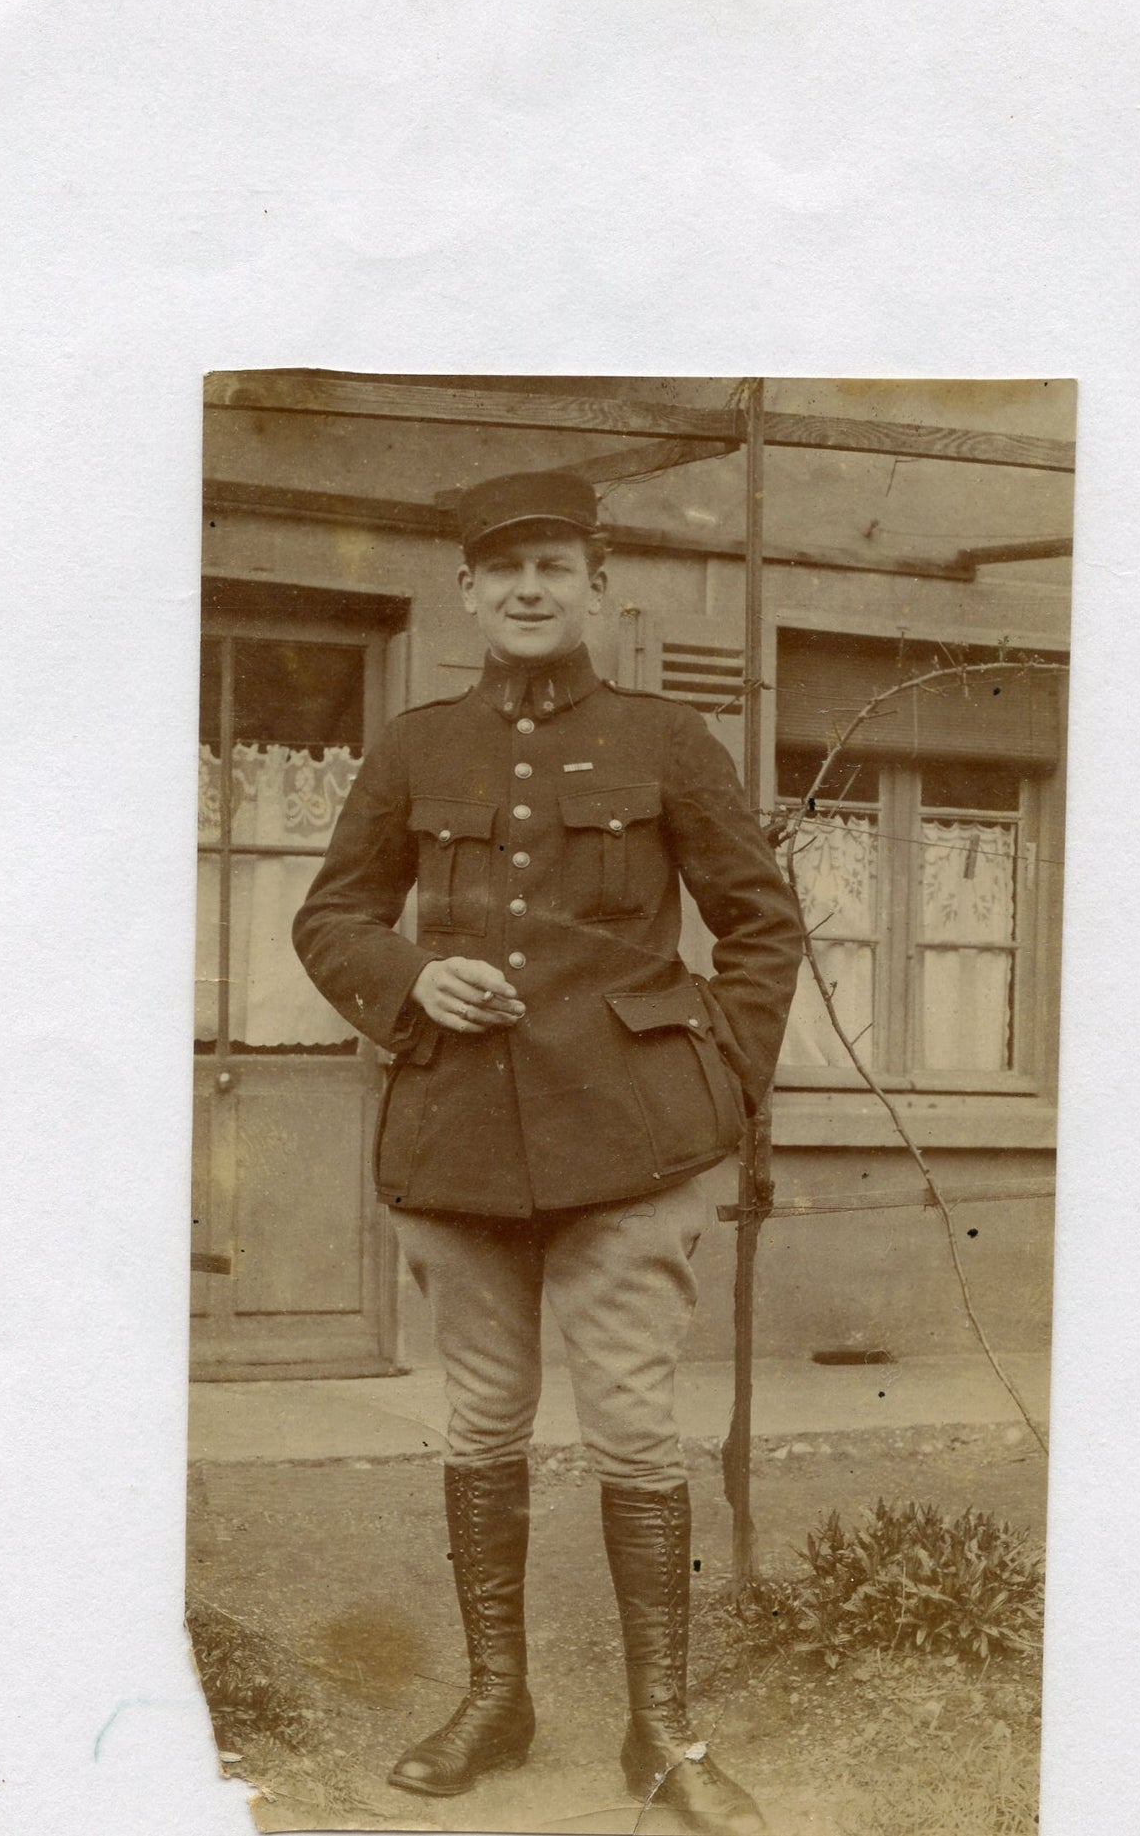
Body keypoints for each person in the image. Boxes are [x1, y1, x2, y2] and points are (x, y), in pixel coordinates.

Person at [293, 469, 803, 1835]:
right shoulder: (411, 748)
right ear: (467, 591)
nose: (528, 587)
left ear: (598, 586)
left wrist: (720, 1081)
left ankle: (662, 1729)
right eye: (503, 566)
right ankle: (496, 1698)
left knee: (634, 1425)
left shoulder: (666, 739)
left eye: (554, 565)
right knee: (481, 1421)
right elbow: (330, 916)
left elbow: (759, 926)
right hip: (457, 1142)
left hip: (630, 1149)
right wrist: (411, 977)